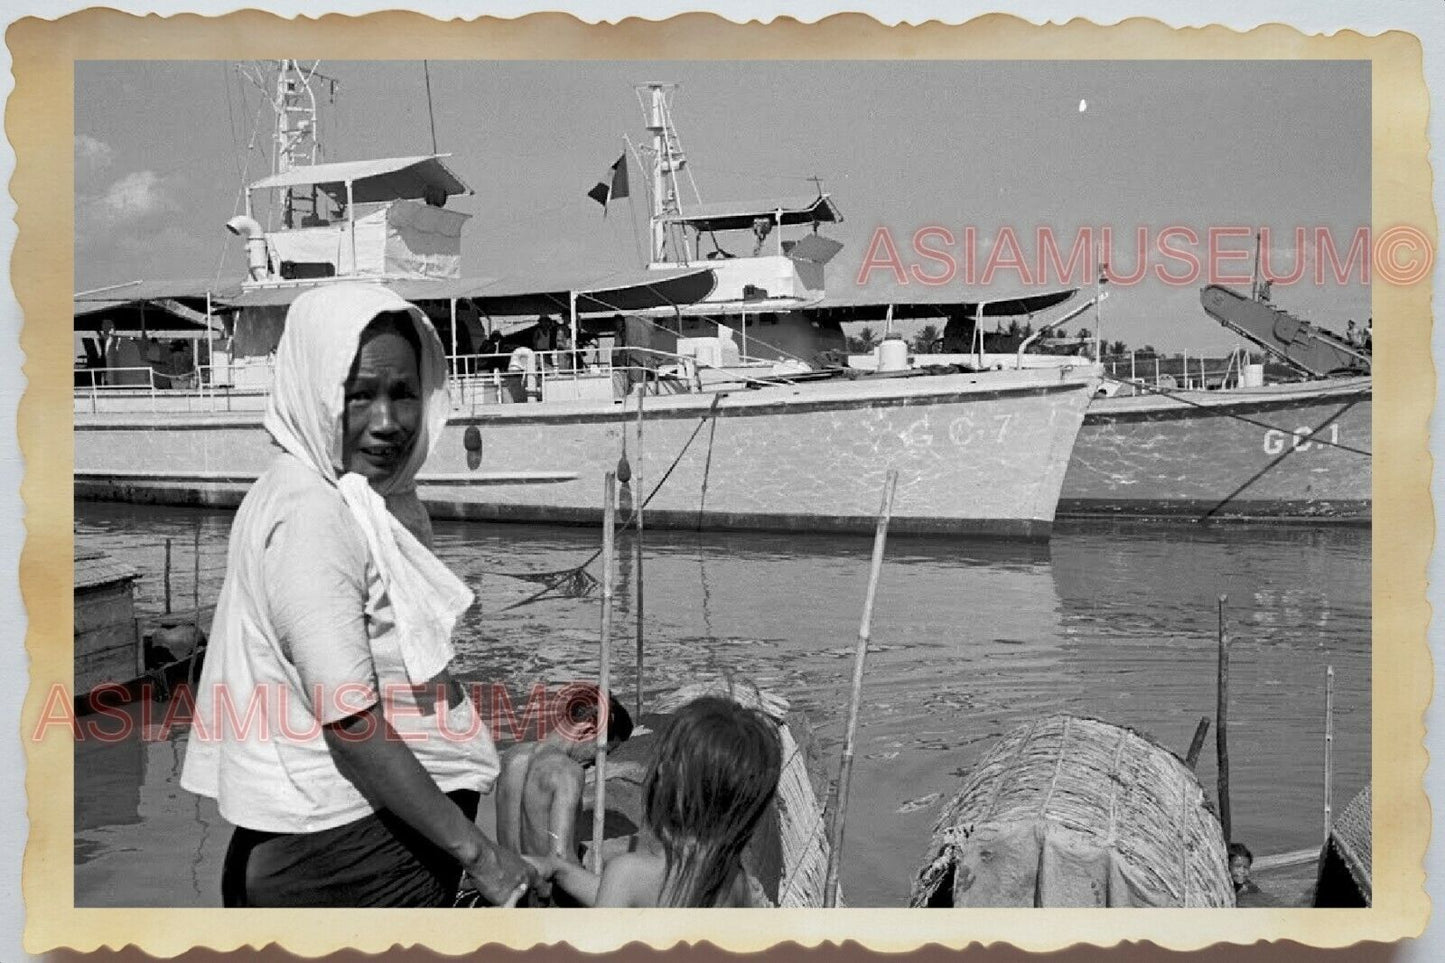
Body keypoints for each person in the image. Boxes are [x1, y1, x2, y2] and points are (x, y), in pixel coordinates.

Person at [180, 282, 537, 908]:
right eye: (359, 395)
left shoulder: (341, 495)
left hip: (349, 849)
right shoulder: (313, 514)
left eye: (403, 393)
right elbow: (351, 721)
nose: (388, 422)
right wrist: (481, 856)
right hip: (340, 858)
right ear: (317, 391)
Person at [532, 695, 781, 907]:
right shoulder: (737, 883)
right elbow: (657, 894)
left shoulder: (627, 873)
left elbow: (617, 898)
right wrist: (562, 870)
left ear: (663, 785)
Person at [494, 687, 633, 901]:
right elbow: (560, 859)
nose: (597, 763)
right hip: (545, 896)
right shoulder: (567, 771)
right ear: (589, 730)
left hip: (510, 889)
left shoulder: (513, 757)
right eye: (604, 753)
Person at [1228, 842, 1273, 907]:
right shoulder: (1223, 888)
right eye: (1237, 866)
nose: (1242, 871)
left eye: (1246, 867)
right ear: (1227, 866)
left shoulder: (1251, 888)